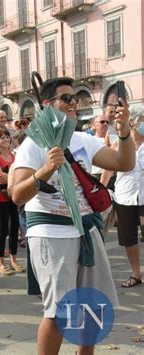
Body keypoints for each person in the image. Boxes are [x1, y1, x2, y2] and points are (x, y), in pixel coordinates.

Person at [12, 76, 134, 355]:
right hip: (50, 232)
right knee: (58, 312)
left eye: (75, 99)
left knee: (92, 305)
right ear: (47, 104)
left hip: (85, 229)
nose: (74, 104)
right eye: (66, 98)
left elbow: (123, 163)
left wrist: (124, 131)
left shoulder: (82, 139)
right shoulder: (33, 144)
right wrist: (45, 171)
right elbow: (17, 194)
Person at [102, 107, 144, 287]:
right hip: (124, 196)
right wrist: (100, 190)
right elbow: (108, 168)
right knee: (129, 238)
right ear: (132, 122)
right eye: (142, 120)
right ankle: (136, 273)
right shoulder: (119, 144)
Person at [0, 128, 23, 275]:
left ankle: (14, 260)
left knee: (15, 227)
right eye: (2, 138)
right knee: (2, 230)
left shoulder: (14, 156)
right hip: (0, 196)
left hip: (14, 195)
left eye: (7, 137)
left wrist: (9, 176)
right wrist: (12, 176)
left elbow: (17, 175)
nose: (6, 140)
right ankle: (1, 262)